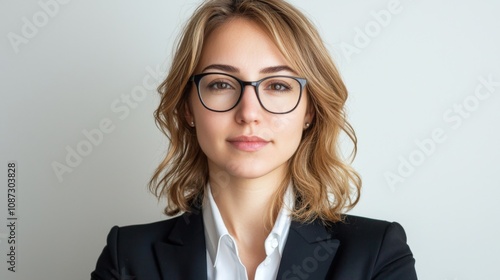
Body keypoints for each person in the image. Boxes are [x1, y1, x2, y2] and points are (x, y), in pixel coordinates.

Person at [91, 0, 417, 279]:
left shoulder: (377, 254)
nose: (249, 113)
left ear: (310, 110)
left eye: (277, 85)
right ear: (188, 108)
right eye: (221, 84)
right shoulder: (127, 258)